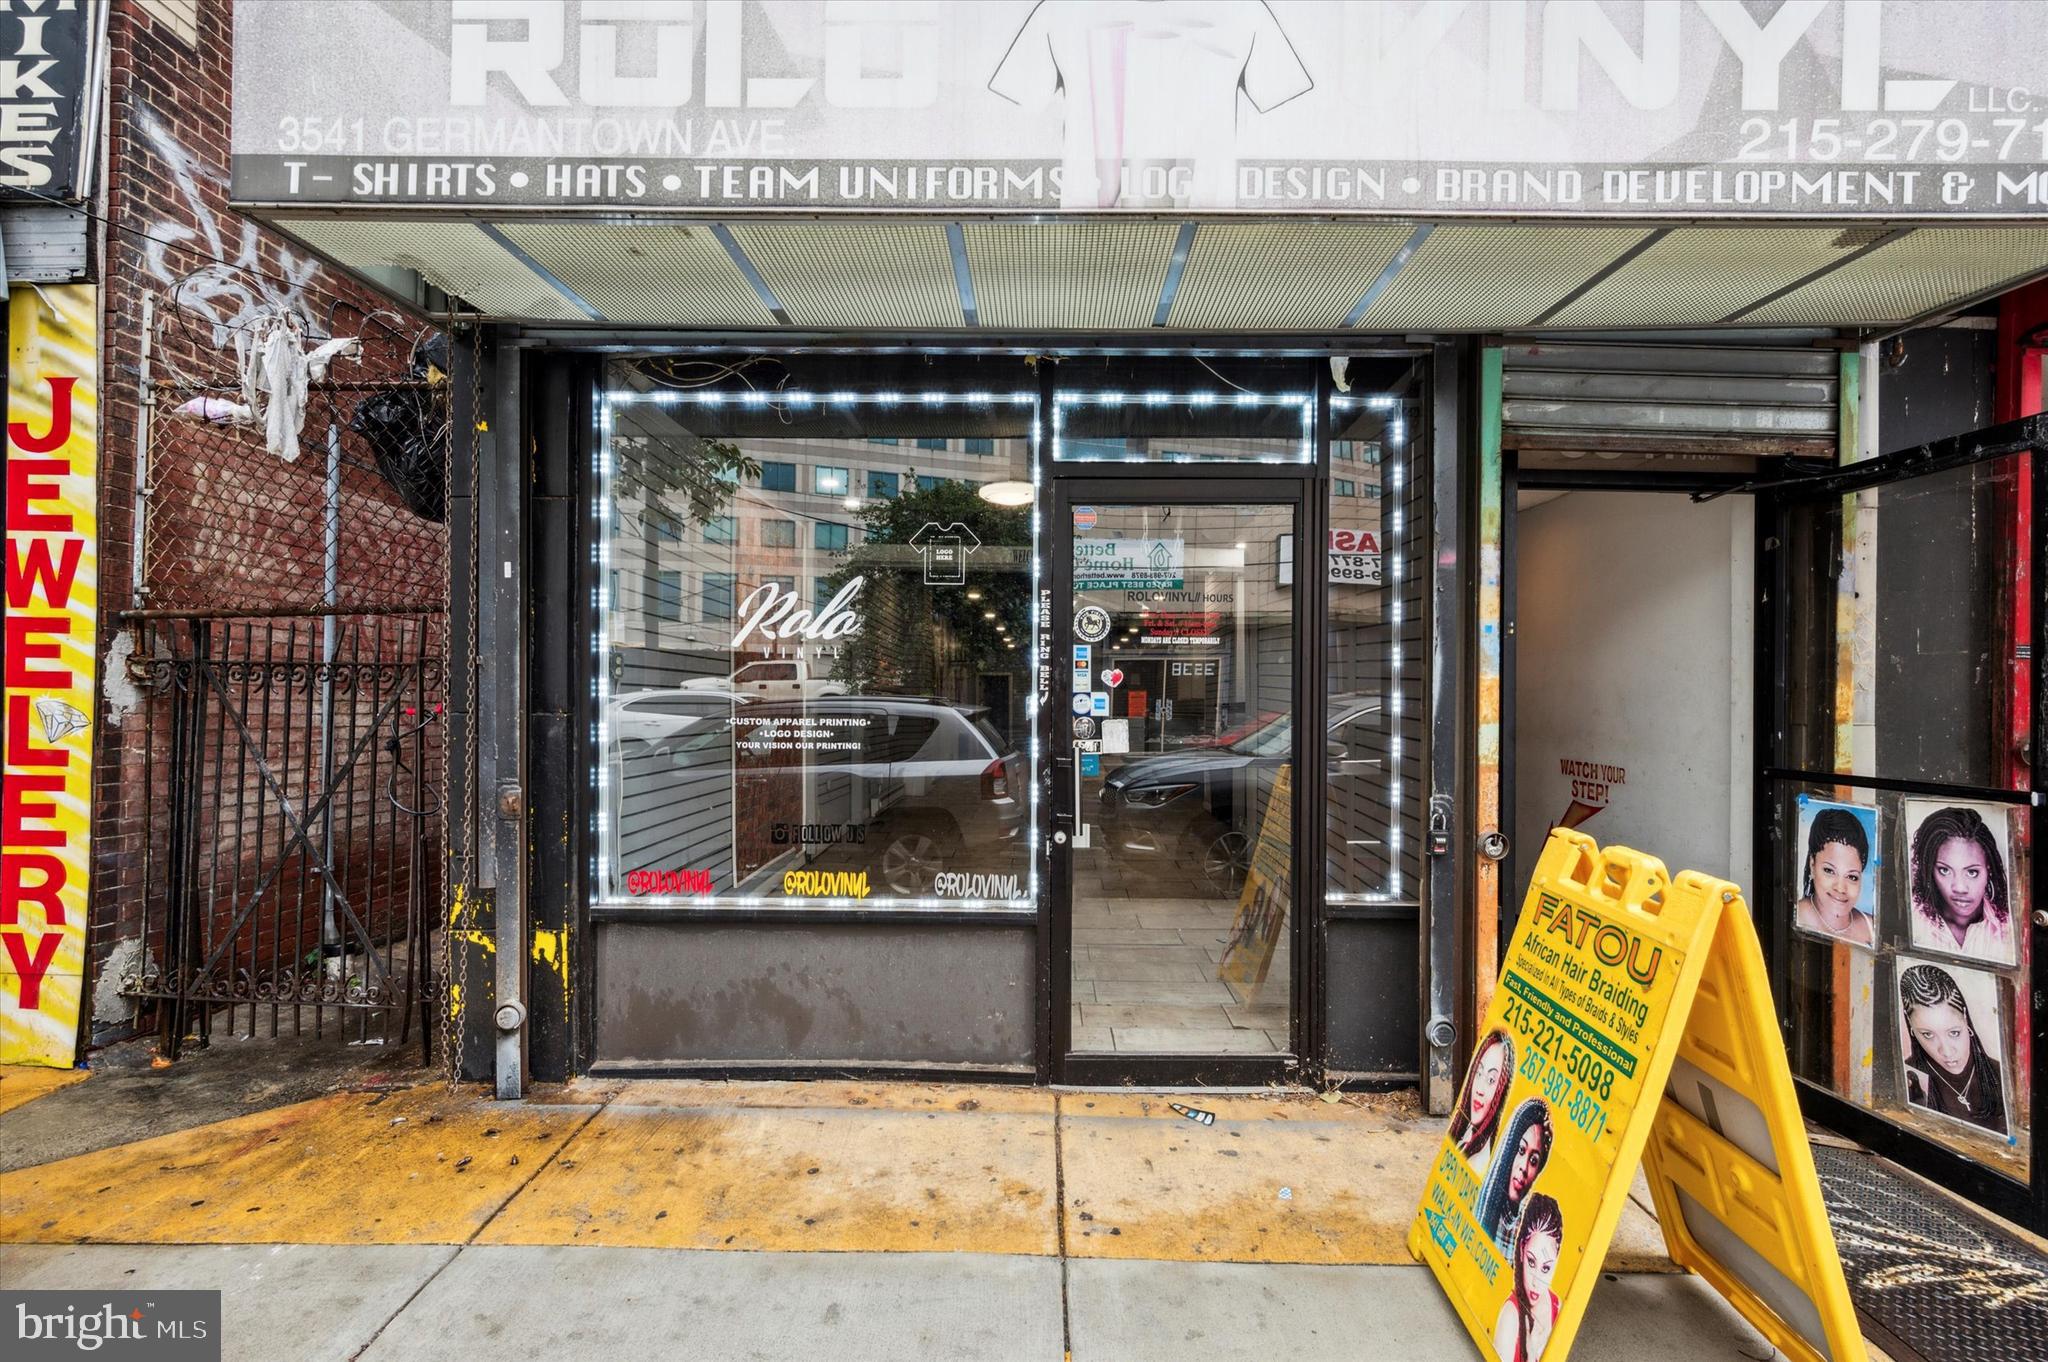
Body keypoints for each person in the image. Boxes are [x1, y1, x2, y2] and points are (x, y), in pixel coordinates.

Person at [1900, 963, 2008, 1137]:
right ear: (1911, 1027)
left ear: (1965, 1016)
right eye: (1927, 1034)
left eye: (1954, 1032)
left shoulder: (2003, 1077)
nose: (1947, 1052)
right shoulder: (1907, 1080)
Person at [1909, 806, 2013, 965]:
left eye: (1972, 872)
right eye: (1944, 870)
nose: (1959, 888)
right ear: (1930, 871)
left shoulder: (2009, 929)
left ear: (1988, 871)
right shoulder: (1914, 923)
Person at [1492, 1194, 1564, 1362]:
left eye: (1546, 1268)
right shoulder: (1511, 1317)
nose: (1536, 1281)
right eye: (1532, 1262)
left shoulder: (1556, 1306)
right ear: (1522, 1251)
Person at [1478, 1100, 1554, 1254]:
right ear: (1509, 1150)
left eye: (1534, 1161)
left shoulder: (1529, 1228)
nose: (1524, 1168)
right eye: (1520, 1150)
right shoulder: (1487, 1208)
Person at [1792, 806, 1874, 946]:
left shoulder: (1872, 926)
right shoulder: (1793, 916)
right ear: (1813, 865)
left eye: (1852, 877)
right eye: (1829, 871)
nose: (1840, 888)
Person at [1448, 1028, 1515, 1179]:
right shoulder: (1462, 1134)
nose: (1479, 1089)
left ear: (1502, 1092)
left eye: (1491, 1080)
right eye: (1479, 1073)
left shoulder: (1479, 1163)